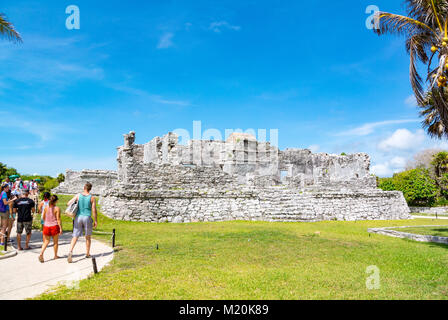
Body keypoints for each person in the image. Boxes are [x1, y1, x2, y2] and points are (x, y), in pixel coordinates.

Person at [67, 182, 98, 263]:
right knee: (88, 237)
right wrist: (95, 220)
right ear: (90, 189)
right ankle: (87, 253)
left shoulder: (78, 195)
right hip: (87, 217)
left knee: (75, 235)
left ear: (84, 187)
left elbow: (68, 203)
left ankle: (70, 251)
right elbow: (94, 210)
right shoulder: (92, 197)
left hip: (78, 217)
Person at [38, 195, 62, 263]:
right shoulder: (57, 208)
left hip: (46, 226)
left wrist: (47, 222)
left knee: (46, 241)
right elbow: (58, 219)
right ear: (56, 201)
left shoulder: (46, 207)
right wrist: (60, 228)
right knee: (55, 242)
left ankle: (41, 253)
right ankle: (55, 255)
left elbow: (43, 217)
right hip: (54, 226)